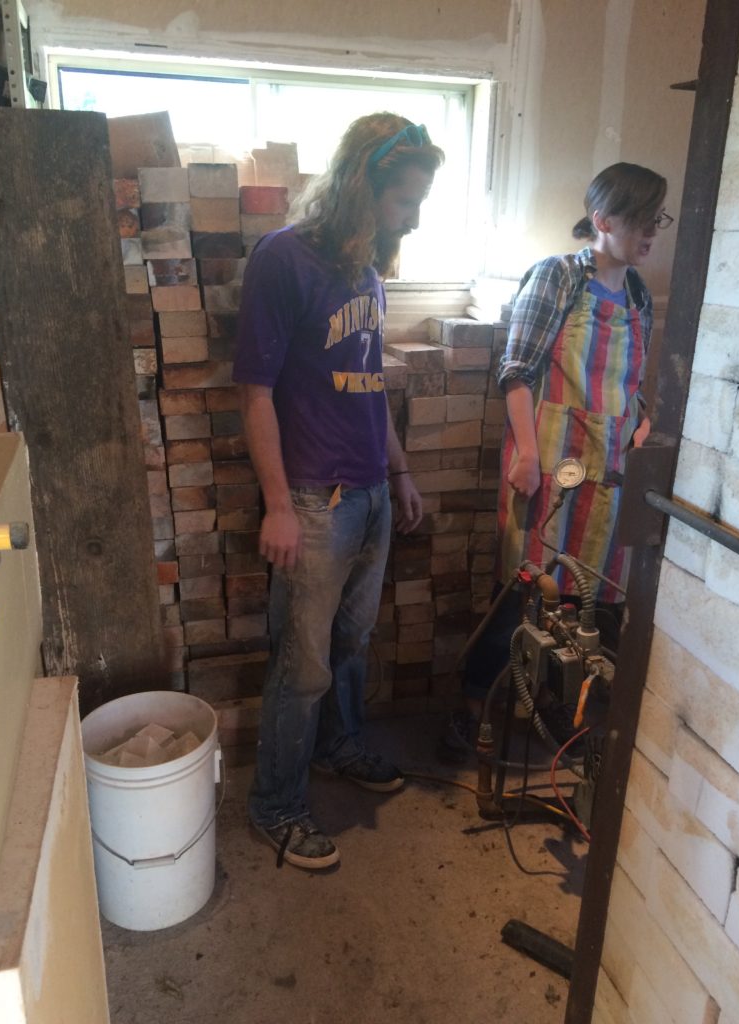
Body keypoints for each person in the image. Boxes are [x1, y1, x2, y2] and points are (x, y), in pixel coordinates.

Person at [233, 113, 444, 869]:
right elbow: (255, 393)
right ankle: (277, 807)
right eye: (403, 203)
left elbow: (371, 386)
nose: (413, 220)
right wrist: (280, 504)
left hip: (370, 494)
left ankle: (338, 750)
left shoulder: (367, 269)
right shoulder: (284, 260)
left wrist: (399, 471)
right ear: (363, 186)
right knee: (303, 663)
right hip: (316, 502)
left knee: (351, 643)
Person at [439, 161, 670, 761]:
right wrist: (528, 456)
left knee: (578, 600)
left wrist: (642, 421)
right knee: (523, 591)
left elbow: (632, 379)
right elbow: (517, 371)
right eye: (642, 221)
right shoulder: (557, 278)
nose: (651, 234)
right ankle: (472, 711)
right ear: (603, 220)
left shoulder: (639, 294)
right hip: (549, 460)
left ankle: (540, 701)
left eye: (657, 221)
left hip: (610, 469)